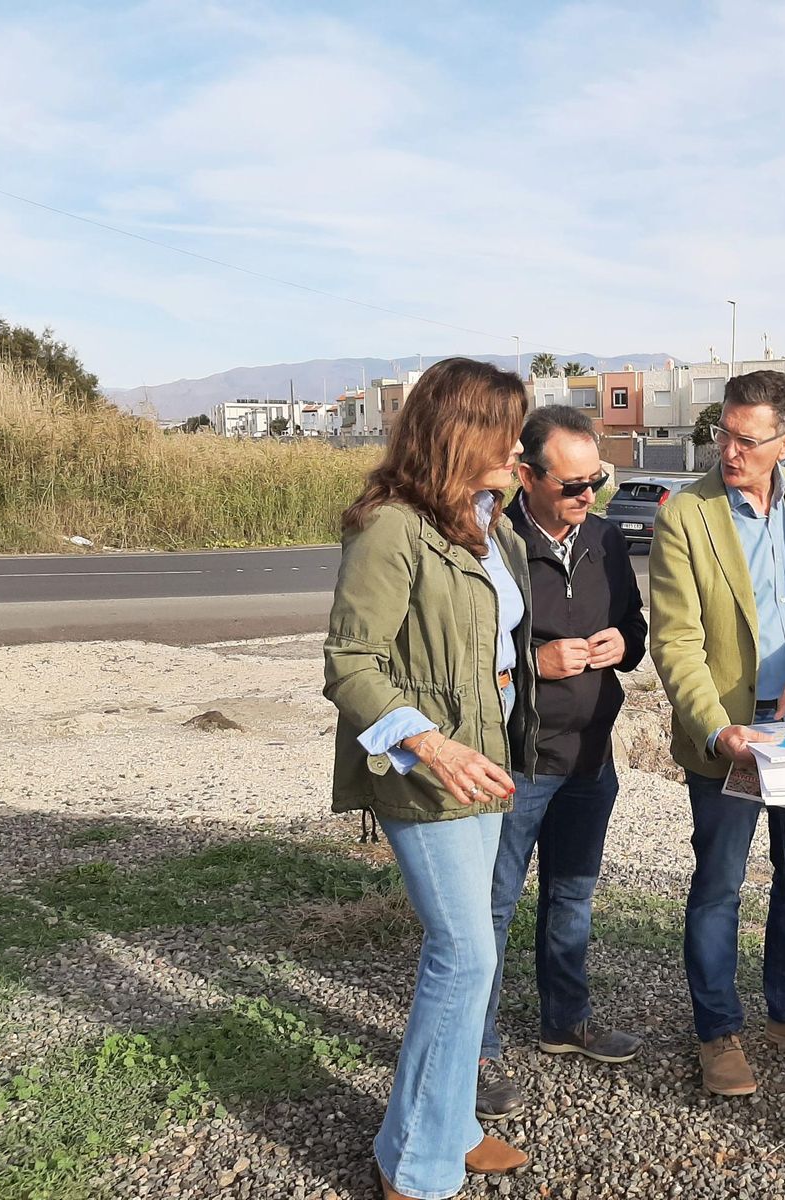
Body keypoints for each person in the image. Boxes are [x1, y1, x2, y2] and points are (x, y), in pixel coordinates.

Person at [323, 357, 535, 1200]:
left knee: (469, 952)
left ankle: (456, 1127)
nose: (519, 449)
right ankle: (412, 1163)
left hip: (486, 762)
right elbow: (350, 664)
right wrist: (435, 746)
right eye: (506, 434)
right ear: (460, 436)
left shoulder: (477, 517)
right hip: (428, 768)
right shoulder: (391, 528)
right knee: (462, 955)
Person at [649, 369, 785, 1097]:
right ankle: (717, 1032)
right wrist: (716, 731)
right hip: (733, 733)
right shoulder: (687, 514)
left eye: (746, 439)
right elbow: (675, 642)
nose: (728, 450)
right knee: (719, 886)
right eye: (722, 434)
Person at [477, 405, 648, 1120]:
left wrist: (621, 645)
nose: (588, 497)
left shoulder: (605, 540)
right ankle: (475, 1051)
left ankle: (563, 1022)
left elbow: (635, 631)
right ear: (526, 476)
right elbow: (466, 653)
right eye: (573, 485)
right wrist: (533, 662)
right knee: (490, 909)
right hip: (519, 761)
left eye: (597, 482)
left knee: (572, 896)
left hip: (589, 760)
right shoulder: (491, 541)